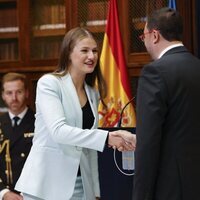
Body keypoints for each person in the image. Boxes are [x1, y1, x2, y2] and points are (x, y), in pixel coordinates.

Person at [15, 27, 136, 200]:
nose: (92, 56)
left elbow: (90, 150)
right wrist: (107, 137)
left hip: (80, 184)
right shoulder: (49, 84)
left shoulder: (92, 92)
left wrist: (95, 191)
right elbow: (59, 131)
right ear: (69, 53)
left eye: (94, 51)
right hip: (46, 185)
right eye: (85, 51)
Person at [133, 7, 200, 200]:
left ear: (154, 35)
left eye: (143, 36)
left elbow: (148, 144)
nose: (144, 41)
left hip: (170, 189)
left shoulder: (154, 73)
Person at [0, 72, 35, 200]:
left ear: (26, 93)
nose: (14, 98)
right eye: (9, 93)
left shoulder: (40, 123)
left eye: (18, 92)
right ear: (3, 95)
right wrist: (4, 193)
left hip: (31, 195)